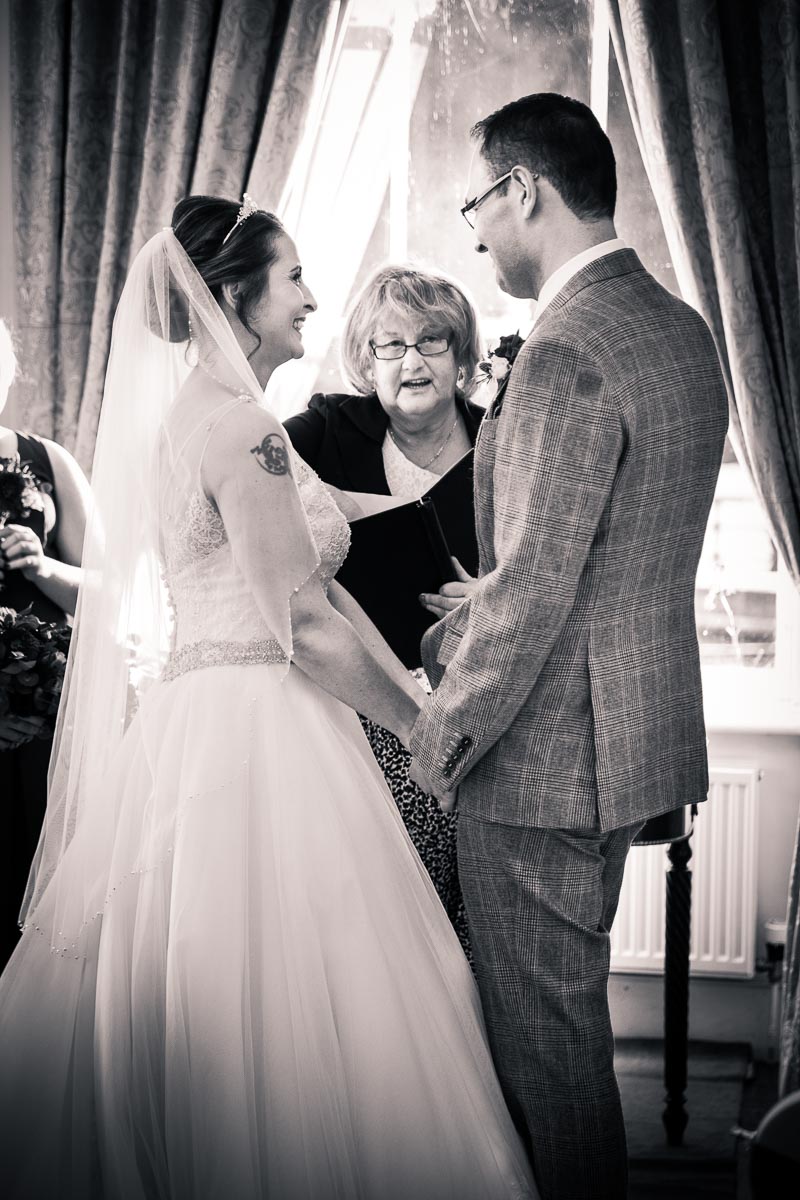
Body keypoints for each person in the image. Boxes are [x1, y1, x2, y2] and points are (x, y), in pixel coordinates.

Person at [0, 195, 536, 1200]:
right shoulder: (245, 428)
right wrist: (421, 730)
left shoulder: (194, 419)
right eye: (293, 278)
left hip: (199, 714)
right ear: (238, 295)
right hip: (262, 720)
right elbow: (301, 619)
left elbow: (317, 570)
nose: (311, 300)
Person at [408, 93, 729, 1200]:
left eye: (476, 206)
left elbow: (534, 593)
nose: (475, 235)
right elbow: (609, 558)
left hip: (540, 766)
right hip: (625, 746)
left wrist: (436, 745)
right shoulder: (678, 327)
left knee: (547, 1062)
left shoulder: (565, 347)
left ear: (524, 190)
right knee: (571, 1035)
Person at [284, 264, 482, 955]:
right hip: (365, 706)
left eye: (431, 341)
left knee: (479, 913)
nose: (412, 361)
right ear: (366, 362)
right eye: (390, 345)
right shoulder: (325, 430)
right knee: (388, 922)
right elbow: (247, 487)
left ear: (461, 355)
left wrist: (492, 594)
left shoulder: (505, 441)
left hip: (481, 698)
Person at [0, 318, 91, 968]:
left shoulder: (48, 461)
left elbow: (108, 590)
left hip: (46, 725)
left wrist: (41, 567)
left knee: (39, 906)